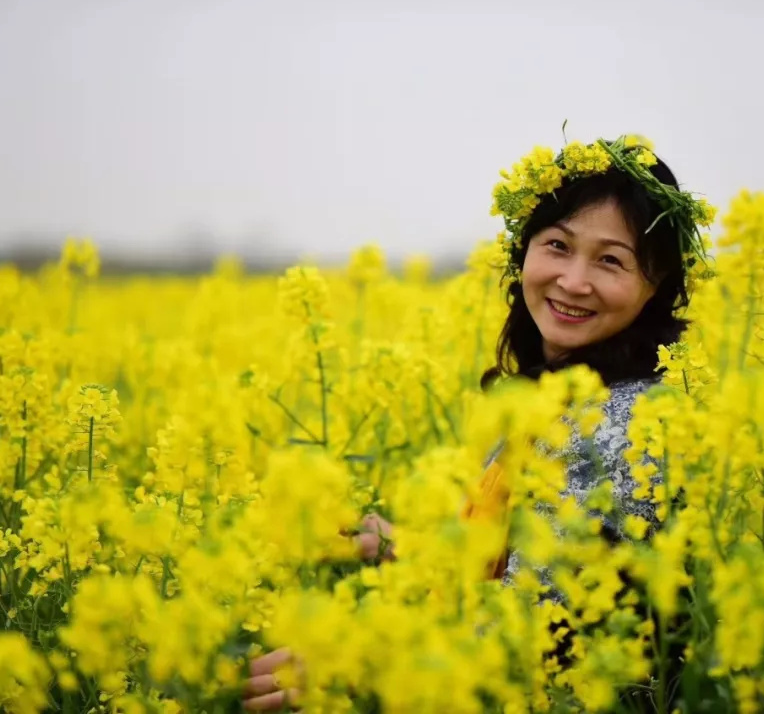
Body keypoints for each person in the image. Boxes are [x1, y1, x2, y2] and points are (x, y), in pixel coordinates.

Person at [241, 134, 711, 712]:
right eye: (557, 246)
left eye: (610, 260)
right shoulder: (558, 400)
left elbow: (541, 636)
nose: (573, 281)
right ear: (524, 253)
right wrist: (406, 550)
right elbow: (521, 569)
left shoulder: (626, 424)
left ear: (655, 285)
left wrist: (353, 662)